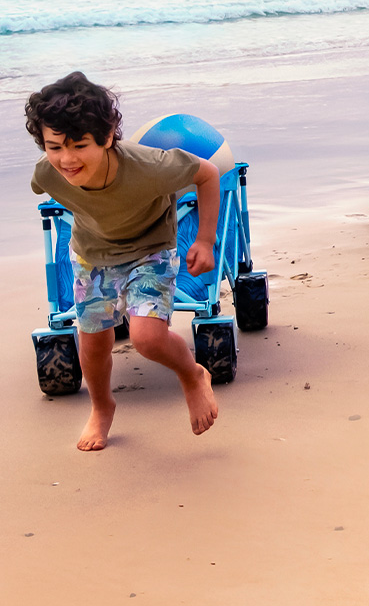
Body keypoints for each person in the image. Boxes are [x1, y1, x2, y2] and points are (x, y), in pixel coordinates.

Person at [24, 72, 222, 450]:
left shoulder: (150, 167)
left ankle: (192, 375)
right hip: (92, 257)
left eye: (80, 145)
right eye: (54, 147)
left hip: (150, 251)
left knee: (146, 338)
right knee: (94, 344)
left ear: (108, 136)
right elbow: (58, 187)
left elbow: (208, 174)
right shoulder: (46, 174)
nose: (67, 159)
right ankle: (102, 408)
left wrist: (205, 240)